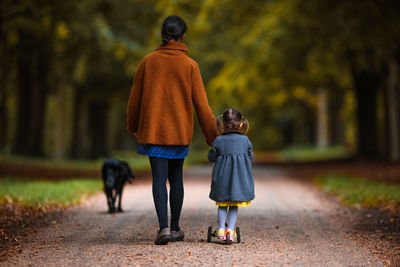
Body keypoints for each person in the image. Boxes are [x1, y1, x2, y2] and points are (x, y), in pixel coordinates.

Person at [126, 15, 218, 245]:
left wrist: (133, 126)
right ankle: (175, 228)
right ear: (183, 36)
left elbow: (134, 100)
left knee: (159, 179)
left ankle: (163, 228)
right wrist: (213, 138)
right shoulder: (190, 66)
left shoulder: (148, 62)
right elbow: (202, 105)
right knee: (176, 178)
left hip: (154, 131)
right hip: (178, 132)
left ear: (163, 35)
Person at [207, 108, 255, 242]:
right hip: (238, 181)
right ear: (241, 124)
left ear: (222, 125)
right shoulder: (245, 141)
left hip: (222, 179)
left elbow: (211, 157)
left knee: (222, 204)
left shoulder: (218, 140)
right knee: (234, 204)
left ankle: (221, 229)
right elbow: (250, 156)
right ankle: (231, 229)